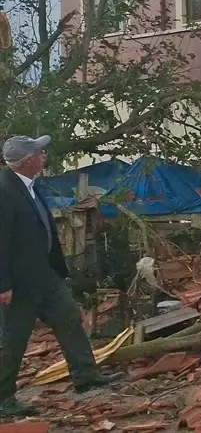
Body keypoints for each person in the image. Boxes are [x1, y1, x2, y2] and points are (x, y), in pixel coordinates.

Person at [0, 135, 123, 416]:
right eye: (40, 153)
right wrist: (2, 283)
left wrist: (56, 270)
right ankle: (3, 398)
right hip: (18, 283)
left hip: (44, 274)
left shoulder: (31, 186)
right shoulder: (4, 190)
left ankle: (86, 377)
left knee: (69, 318)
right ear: (27, 160)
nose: (44, 156)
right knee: (12, 339)